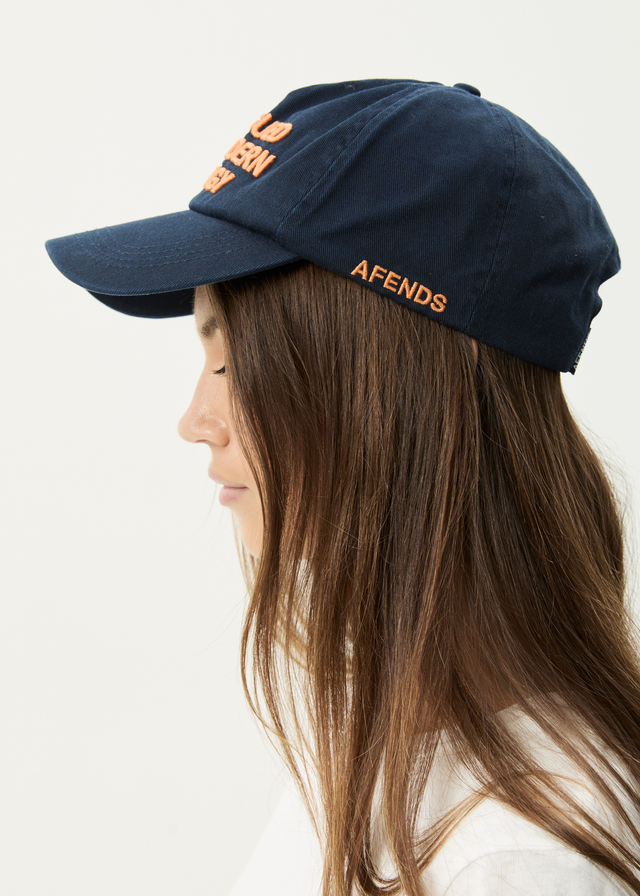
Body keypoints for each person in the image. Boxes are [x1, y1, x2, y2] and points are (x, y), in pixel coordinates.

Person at [45, 79, 640, 895]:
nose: (195, 420)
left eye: (231, 362)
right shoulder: (397, 742)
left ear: (408, 385)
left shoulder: (519, 860)